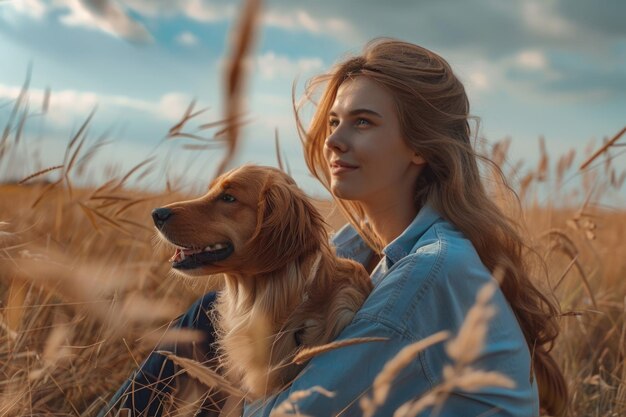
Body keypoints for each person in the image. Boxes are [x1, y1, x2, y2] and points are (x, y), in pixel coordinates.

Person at [100, 38, 567, 417]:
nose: (334, 140)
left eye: (363, 122)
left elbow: (291, 413)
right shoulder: (362, 245)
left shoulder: (431, 271)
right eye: (336, 121)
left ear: (420, 147)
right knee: (209, 311)